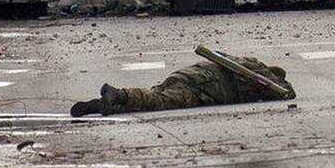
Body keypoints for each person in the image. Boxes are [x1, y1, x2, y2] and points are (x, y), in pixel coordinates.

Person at [71, 54, 295, 117]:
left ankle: (106, 105)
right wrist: (278, 82)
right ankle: (120, 94)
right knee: (160, 101)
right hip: (205, 87)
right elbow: (287, 93)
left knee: (155, 96)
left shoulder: (243, 62)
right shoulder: (260, 73)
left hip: (188, 75)